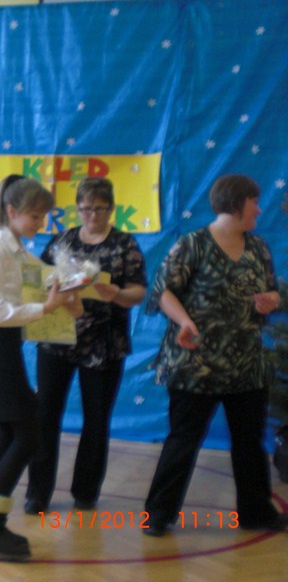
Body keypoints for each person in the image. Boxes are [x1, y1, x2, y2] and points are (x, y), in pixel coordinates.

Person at [142, 173, 288, 536]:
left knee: (249, 443)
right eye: (254, 202)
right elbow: (162, 291)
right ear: (236, 204)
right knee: (183, 440)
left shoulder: (258, 248)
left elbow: (272, 291)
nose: (259, 209)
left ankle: (256, 512)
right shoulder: (193, 244)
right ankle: (158, 514)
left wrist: (271, 300)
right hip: (196, 364)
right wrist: (185, 321)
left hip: (245, 364)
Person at [0, 175, 83, 560]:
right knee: (28, 434)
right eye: (35, 216)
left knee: (12, 433)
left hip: (5, 344)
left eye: (43, 216)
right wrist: (45, 308)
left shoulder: (16, 248)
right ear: (12, 211)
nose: (41, 223)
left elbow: (48, 277)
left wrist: (72, 288)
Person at [25, 177, 147, 514]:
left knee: (96, 419)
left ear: (111, 209)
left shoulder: (124, 244)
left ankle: (85, 492)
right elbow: (40, 281)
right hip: (57, 337)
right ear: (77, 208)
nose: (92, 215)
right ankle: (37, 493)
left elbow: (139, 291)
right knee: (45, 415)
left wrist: (117, 293)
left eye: (100, 208)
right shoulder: (61, 240)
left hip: (104, 342)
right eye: (86, 208)